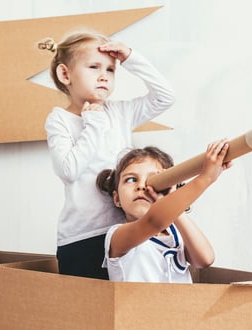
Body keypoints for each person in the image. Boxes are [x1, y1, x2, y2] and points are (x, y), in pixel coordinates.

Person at [39, 31, 175, 279]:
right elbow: (69, 171)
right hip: (82, 237)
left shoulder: (121, 112)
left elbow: (166, 97)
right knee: (87, 310)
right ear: (65, 74)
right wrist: (93, 124)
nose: (104, 75)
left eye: (111, 70)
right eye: (94, 67)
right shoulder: (59, 119)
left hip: (124, 231)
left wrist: (131, 58)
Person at [96, 142, 231, 283]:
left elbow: (205, 260)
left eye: (152, 180)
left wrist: (171, 203)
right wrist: (206, 178)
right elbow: (154, 221)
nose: (141, 186)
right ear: (117, 199)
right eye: (131, 180)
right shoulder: (117, 236)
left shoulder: (176, 234)